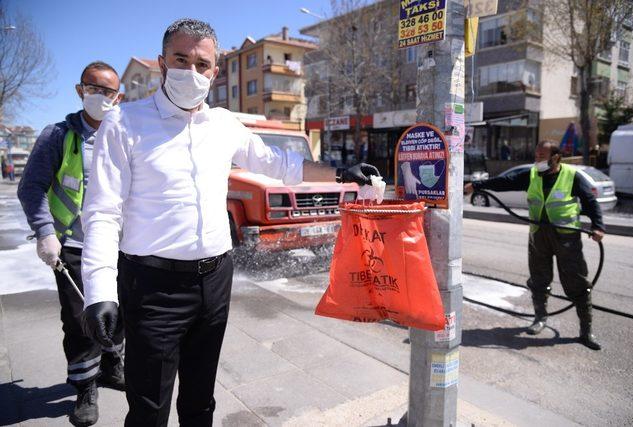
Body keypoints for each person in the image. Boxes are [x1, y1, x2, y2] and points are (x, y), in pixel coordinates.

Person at [80, 19, 379, 427]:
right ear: (163, 63)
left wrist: (341, 172)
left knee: (201, 402)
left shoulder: (223, 124)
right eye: (181, 59)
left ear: (214, 71)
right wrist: (99, 291)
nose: (192, 71)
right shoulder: (125, 123)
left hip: (215, 281)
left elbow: (279, 164)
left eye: (202, 64)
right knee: (149, 408)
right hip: (152, 288)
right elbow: (102, 212)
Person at [17, 61, 126, 426]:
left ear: (118, 96)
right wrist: (45, 232)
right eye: (92, 88)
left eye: (107, 91)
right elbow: (30, 187)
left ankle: (112, 365)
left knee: (119, 313)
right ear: (80, 90)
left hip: (121, 246)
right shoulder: (58, 135)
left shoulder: (125, 134)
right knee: (81, 320)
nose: (100, 96)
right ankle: (85, 387)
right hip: (76, 247)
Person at [464, 140, 605, 350]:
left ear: (555, 157)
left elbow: (590, 201)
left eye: (542, 156)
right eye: (536, 156)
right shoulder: (531, 175)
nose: (537, 160)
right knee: (539, 280)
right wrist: (477, 185)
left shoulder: (571, 176)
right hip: (539, 235)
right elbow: (505, 181)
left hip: (567, 237)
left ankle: (586, 331)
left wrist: (598, 226)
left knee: (577, 283)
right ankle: (540, 319)